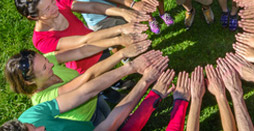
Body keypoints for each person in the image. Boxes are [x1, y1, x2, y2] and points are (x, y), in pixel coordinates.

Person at [1, 54, 169, 131]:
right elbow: (108, 125)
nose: (42, 128)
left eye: (32, 127)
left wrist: (130, 67)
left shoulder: (31, 116)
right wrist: (146, 82)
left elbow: (85, 92)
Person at [15, 0, 148, 73]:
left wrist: (122, 12)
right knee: (105, 88)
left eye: (51, 1)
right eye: (47, 9)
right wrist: (121, 29)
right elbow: (82, 42)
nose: (54, 7)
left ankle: (116, 85)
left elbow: (93, 7)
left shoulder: (59, 4)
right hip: (87, 68)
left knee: (111, 69)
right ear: (33, 17)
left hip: (101, 47)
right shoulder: (41, 40)